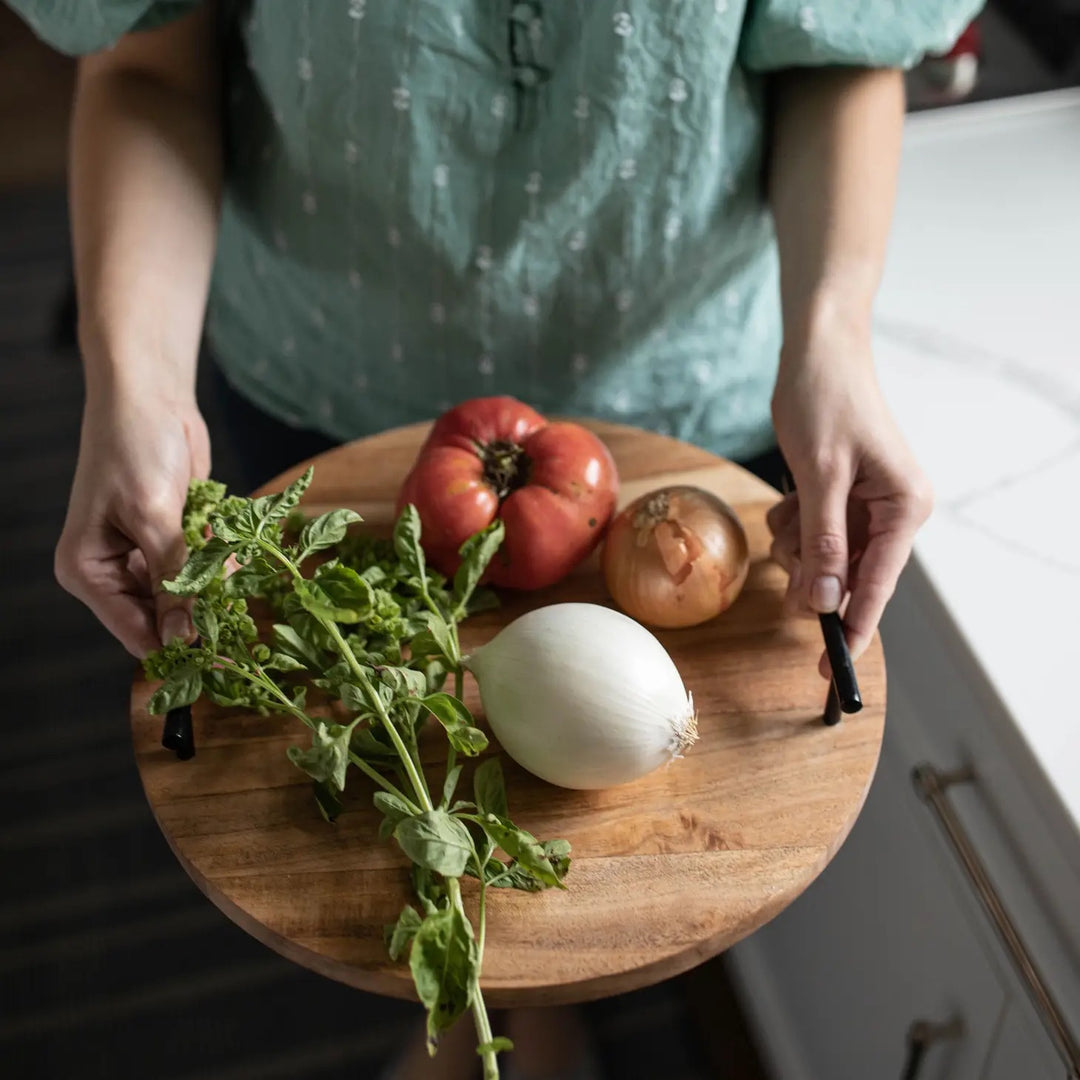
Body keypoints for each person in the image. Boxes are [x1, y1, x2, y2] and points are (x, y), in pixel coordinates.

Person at [9, 2, 982, 1078]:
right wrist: (136, 388)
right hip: (323, 373)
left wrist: (835, 339)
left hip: (687, 390)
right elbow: (150, 68)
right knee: (395, 788)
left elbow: (836, 54)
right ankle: (518, 1024)